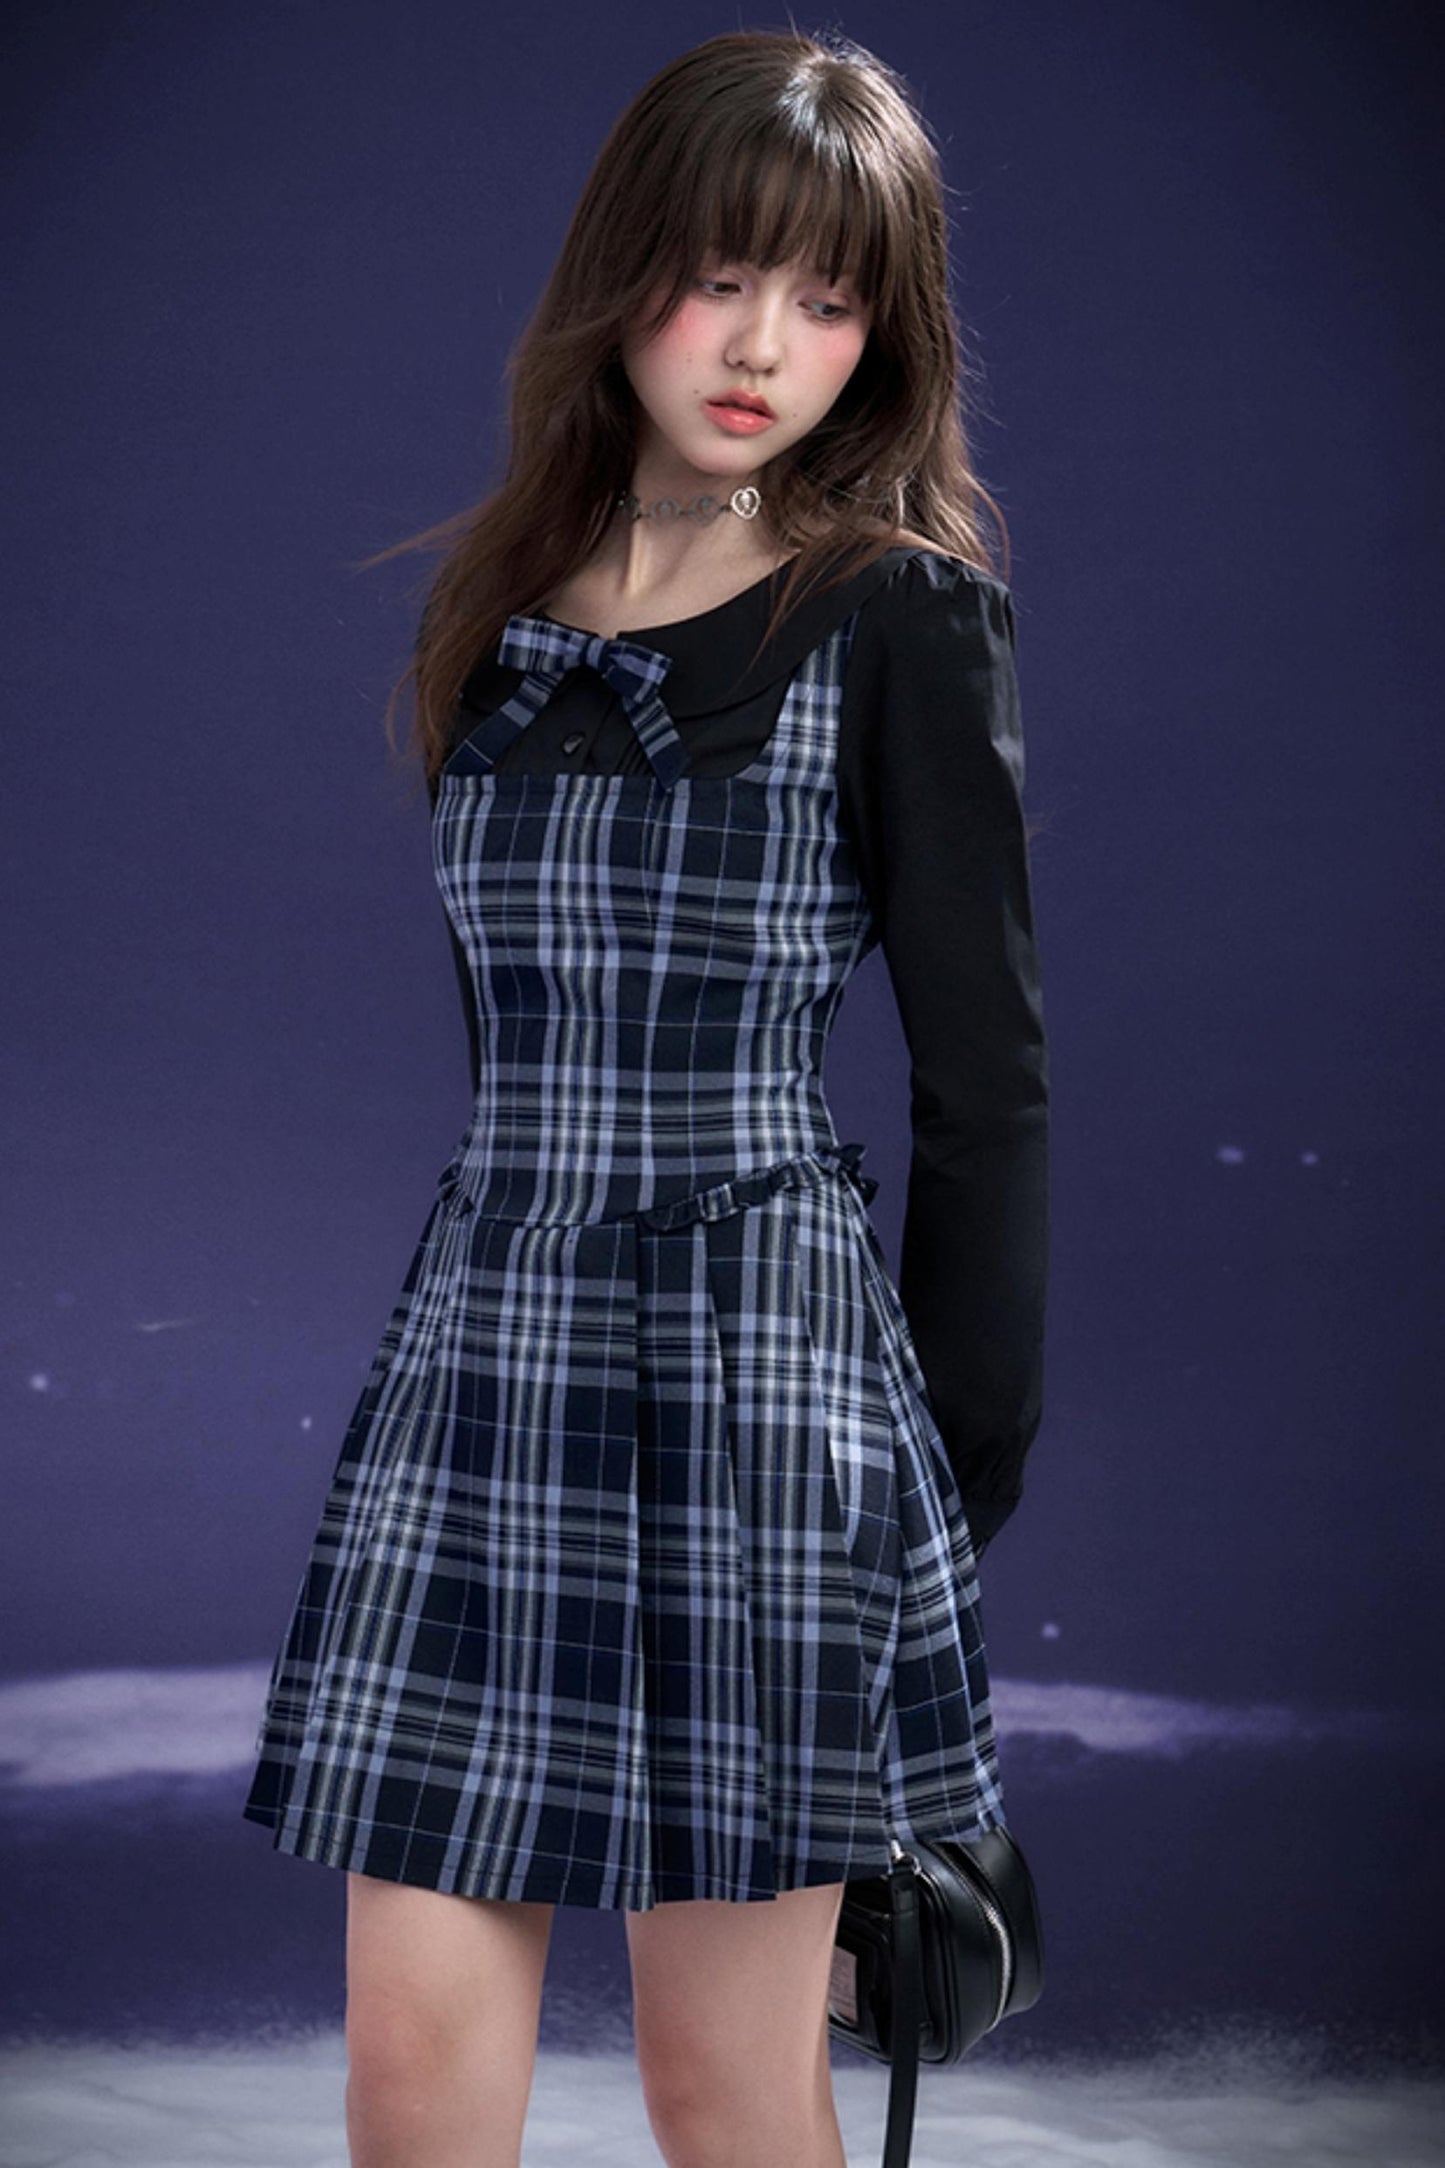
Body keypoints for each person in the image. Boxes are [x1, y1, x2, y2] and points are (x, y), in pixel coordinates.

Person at [242, 26, 1049, 2168]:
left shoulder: (901, 621)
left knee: (724, 2090)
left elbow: (989, 1090)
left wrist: (943, 1492)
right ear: (627, 278)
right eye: (721, 276)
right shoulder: (499, 615)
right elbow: (513, 1042)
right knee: (410, 2085)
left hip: (761, 1382)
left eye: (831, 296)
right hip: (490, 1356)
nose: (766, 345)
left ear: (883, 332)